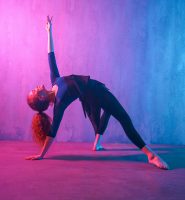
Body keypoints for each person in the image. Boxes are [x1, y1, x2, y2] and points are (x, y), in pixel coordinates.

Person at [26, 16, 169, 170]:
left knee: (107, 113)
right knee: (124, 119)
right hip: (98, 93)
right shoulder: (59, 103)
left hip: (91, 97)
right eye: (34, 91)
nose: (36, 87)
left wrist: (49, 31)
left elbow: (51, 55)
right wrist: (41, 155)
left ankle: (97, 143)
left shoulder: (55, 81)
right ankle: (151, 155)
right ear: (41, 97)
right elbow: (53, 131)